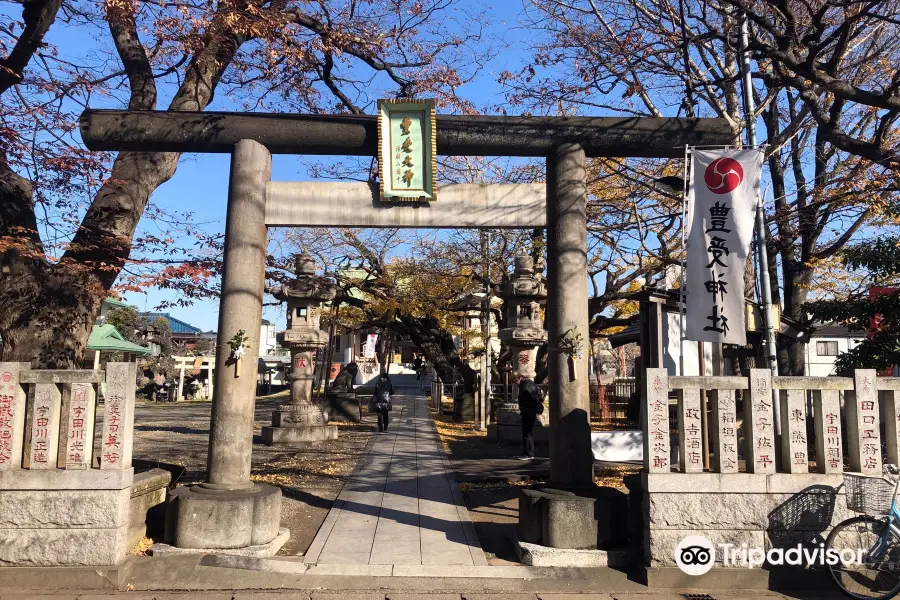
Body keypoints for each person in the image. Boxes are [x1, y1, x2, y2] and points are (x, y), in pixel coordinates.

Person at [514, 371, 543, 459]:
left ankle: (529, 454)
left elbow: (533, 397)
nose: (515, 383)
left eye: (514, 381)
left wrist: (525, 407)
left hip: (529, 411)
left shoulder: (525, 384)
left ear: (519, 378)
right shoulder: (527, 383)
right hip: (529, 410)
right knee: (527, 432)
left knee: (527, 432)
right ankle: (526, 452)